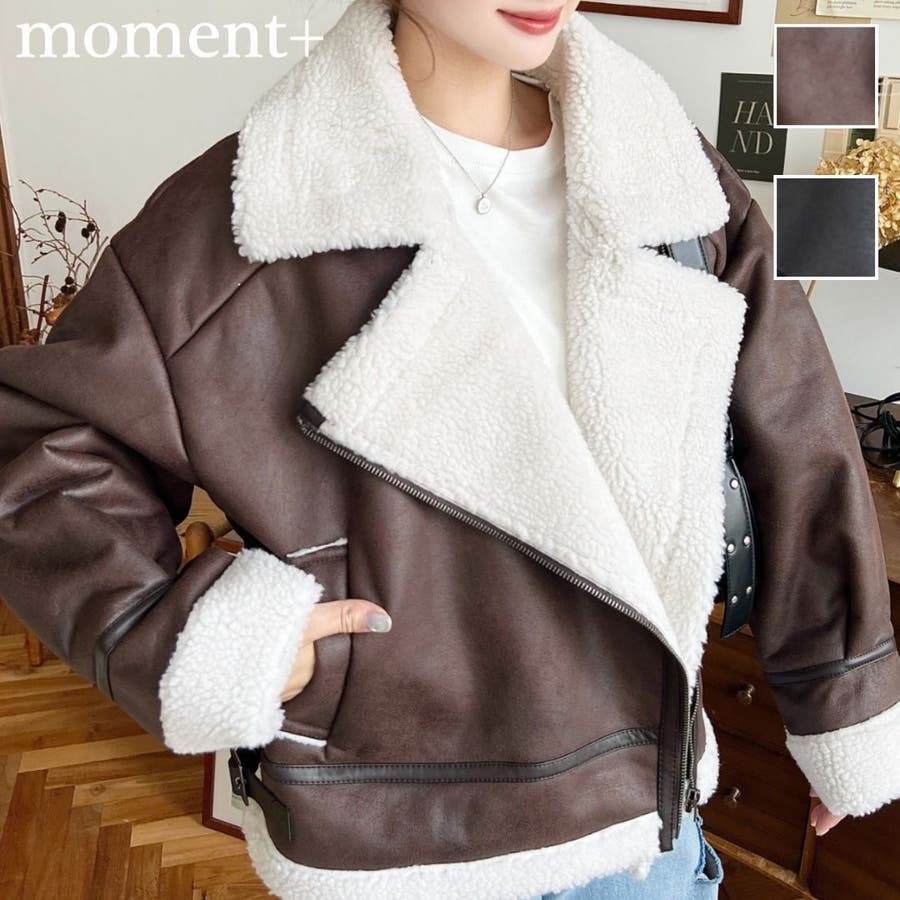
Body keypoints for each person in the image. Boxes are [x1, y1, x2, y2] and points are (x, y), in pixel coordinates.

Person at [1, 0, 898, 898]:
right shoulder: (254, 209)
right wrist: (220, 646)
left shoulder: (668, 177)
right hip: (391, 840)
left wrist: (843, 697)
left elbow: (798, 439)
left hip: (638, 845)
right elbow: (41, 450)